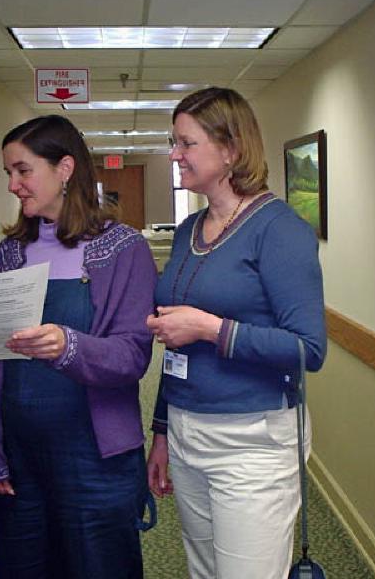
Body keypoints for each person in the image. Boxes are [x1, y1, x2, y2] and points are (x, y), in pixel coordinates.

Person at [0, 115, 158, 579]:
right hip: (18, 460)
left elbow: (132, 356)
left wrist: (68, 346)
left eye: (23, 171)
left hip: (97, 459)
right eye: (8, 172)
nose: (13, 185)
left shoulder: (122, 249)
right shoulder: (8, 255)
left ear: (65, 168)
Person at [146, 87, 327, 579]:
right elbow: (173, 340)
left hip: (252, 443)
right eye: (173, 141)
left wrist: (210, 329)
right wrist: (162, 431)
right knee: (204, 571)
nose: (174, 154)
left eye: (186, 143)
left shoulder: (280, 230)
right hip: (186, 429)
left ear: (230, 150)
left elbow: (306, 349)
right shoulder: (188, 230)